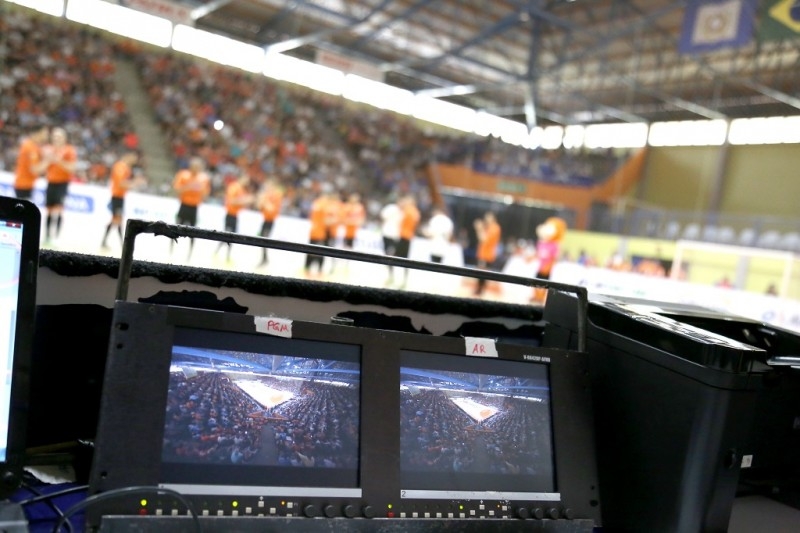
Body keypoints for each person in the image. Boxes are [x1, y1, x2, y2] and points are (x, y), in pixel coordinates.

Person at [101, 150, 144, 250]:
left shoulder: (125, 168)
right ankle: (122, 244)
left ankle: (112, 243)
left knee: (117, 219)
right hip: (117, 196)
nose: (134, 161)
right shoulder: (120, 167)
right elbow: (121, 183)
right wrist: (134, 183)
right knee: (117, 219)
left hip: (119, 197)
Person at [43, 127, 78, 244]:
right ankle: (47, 235)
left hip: (62, 183)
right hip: (50, 182)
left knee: (58, 210)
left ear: (64, 138)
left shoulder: (69, 150)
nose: (56, 139)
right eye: (54, 136)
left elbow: (72, 168)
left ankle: (56, 237)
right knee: (48, 210)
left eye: (59, 137)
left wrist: (59, 161)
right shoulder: (48, 149)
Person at [172, 156, 211, 257]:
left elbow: (206, 195)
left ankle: (189, 254)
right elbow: (177, 190)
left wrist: (200, 189)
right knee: (175, 229)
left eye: (198, 167)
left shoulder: (203, 178)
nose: (196, 168)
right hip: (184, 205)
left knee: (193, 232)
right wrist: (189, 187)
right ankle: (171, 250)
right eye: (195, 166)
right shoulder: (183, 175)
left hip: (194, 208)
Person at [216, 173, 253, 262]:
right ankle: (222, 255)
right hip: (230, 214)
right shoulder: (234, 187)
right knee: (227, 236)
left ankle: (222, 255)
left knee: (229, 236)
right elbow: (231, 201)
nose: (247, 182)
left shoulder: (242, 190)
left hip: (234, 215)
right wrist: (244, 201)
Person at [13, 123, 50, 200]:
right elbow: (34, 169)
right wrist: (48, 160)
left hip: (25, 184)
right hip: (24, 185)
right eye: (44, 133)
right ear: (38, 133)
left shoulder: (33, 146)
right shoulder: (30, 148)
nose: (46, 136)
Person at [304, 190, 333, 278]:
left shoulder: (316, 203)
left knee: (310, 250)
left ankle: (307, 269)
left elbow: (311, 216)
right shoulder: (326, 206)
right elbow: (327, 221)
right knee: (320, 252)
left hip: (313, 231)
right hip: (321, 232)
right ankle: (319, 271)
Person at [393, 195, 420, 288]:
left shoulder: (408, 211)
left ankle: (397, 279)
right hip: (407, 237)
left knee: (397, 258)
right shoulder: (415, 212)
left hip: (404, 236)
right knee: (404, 259)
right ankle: (402, 280)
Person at [256, 178, 284, 267]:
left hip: (270, 221)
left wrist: (264, 201)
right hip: (266, 220)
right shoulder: (268, 196)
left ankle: (264, 259)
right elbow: (259, 207)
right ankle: (264, 259)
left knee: (264, 240)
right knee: (262, 240)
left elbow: (272, 209)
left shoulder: (276, 196)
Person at [473, 211, 501, 296]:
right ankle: (479, 290)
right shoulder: (488, 228)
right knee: (480, 273)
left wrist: (479, 228)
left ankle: (480, 291)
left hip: (486, 254)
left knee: (483, 273)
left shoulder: (494, 228)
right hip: (483, 253)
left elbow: (483, 239)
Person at [380, 197, 403, 284]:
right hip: (388, 233)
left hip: (393, 235)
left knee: (390, 255)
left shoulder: (401, 212)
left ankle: (391, 275)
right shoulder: (392, 208)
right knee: (388, 254)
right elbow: (383, 216)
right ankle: (389, 274)